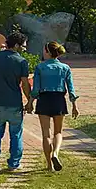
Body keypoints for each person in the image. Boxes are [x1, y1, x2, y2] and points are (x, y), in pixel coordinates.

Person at [0, 32, 33, 174]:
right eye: (23, 45)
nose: (24, 48)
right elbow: (24, 84)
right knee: (16, 133)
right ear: (16, 45)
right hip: (14, 103)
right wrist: (29, 100)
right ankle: (14, 163)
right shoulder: (21, 61)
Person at [25, 41, 80, 172]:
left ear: (49, 52)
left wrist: (30, 102)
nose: (43, 53)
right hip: (58, 99)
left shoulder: (40, 67)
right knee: (58, 132)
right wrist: (74, 105)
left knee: (45, 133)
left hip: (44, 99)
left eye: (44, 50)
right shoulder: (65, 68)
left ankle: (49, 165)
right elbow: (71, 88)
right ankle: (55, 153)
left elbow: (36, 88)